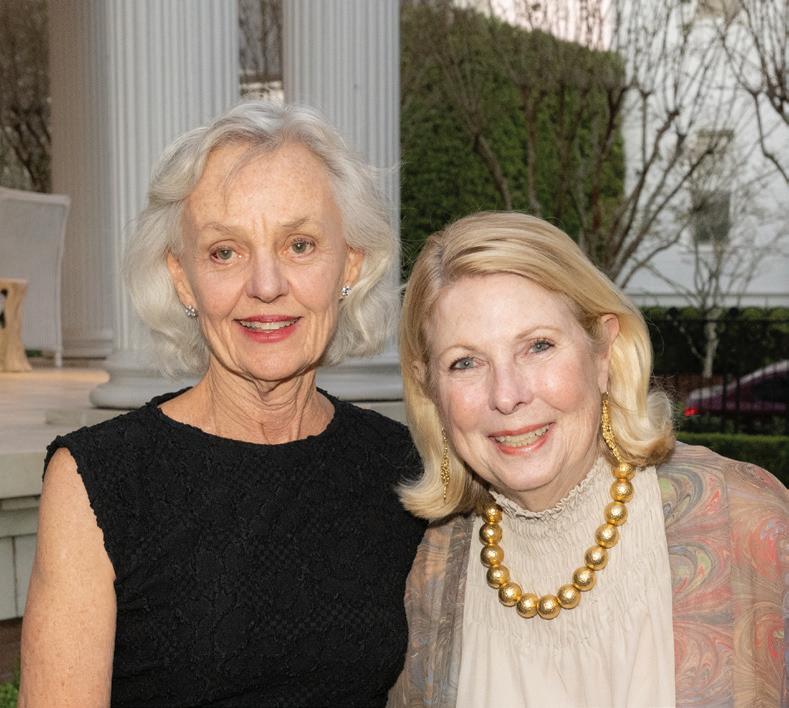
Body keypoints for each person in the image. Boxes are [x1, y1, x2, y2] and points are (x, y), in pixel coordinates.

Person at [20, 102, 425, 707]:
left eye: (299, 245)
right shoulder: (99, 480)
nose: (266, 286)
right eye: (224, 252)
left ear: (351, 262)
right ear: (182, 277)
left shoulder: (400, 467)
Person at [389, 212, 787, 707]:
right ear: (431, 389)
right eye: (465, 362)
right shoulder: (429, 567)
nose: (507, 395)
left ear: (602, 353)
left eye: (538, 346)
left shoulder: (747, 518)